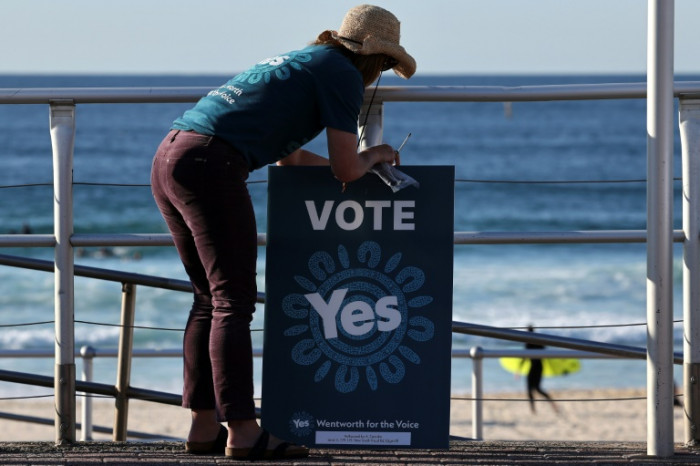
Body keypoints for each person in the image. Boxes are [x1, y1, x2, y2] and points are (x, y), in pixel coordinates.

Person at [150, 4, 416, 461]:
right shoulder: (344, 75)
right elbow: (346, 167)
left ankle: (203, 425)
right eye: (387, 65)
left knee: (206, 298)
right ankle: (244, 432)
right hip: (211, 165)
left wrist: (359, 168)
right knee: (233, 300)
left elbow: (290, 159)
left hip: (171, 155)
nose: (383, 75)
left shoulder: (305, 61)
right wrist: (375, 156)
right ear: (374, 58)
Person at [522, 325, 558, 414]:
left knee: (534, 389)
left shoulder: (529, 342)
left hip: (536, 367)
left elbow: (524, 356)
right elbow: (544, 351)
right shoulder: (538, 340)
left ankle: (535, 409)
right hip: (538, 367)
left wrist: (519, 369)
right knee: (534, 389)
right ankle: (534, 409)